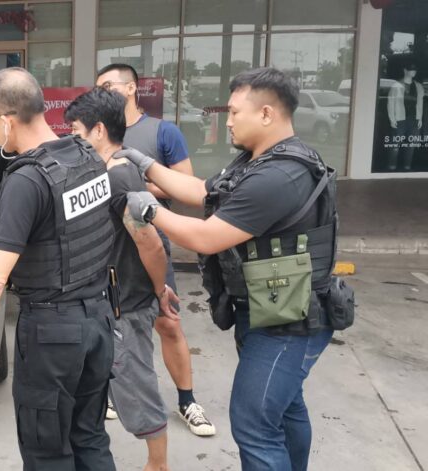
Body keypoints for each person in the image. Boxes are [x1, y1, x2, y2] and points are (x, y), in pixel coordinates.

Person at [121, 67, 341, 470]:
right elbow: (203, 191)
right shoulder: (258, 161)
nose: (228, 121)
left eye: (236, 112)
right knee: (286, 408)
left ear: (267, 113)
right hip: (272, 308)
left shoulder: (279, 175)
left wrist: (149, 210)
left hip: (289, 323)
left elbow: (207, 237)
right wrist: (145, 165)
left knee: (254, 423)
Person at [0, 67, 118, 470]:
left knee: (47, 453)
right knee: (90, 437)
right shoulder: (88, 155)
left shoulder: (27, 181)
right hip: (99, 320)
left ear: (7, 121)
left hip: (53, 335)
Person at [96, 63, 215, 437]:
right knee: (110, 323)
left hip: (148, 238)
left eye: (108, 86)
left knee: (168, 321)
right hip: (108, 248)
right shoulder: (96, 131)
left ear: (132, 88)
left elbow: (186, 184)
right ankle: (114, 392)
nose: (102, 93)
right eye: (98, 88)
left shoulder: (163, 132)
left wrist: (132, 182)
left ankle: (187, 400)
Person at [65, 88, 179, 471]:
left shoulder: (120, 176)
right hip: (111, 302)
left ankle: (158, 465)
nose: (72, 138)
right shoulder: (109, 171)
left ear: (98, 130)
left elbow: (150, 243)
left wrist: (160, 290)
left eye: (76, 131)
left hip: (125, 304)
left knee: (135, 387)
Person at [386, 60, 424, 171]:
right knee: (395, 145)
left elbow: (420, 103)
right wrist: (392, 119)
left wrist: (420, 118)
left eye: (415, 69)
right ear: (405, 70)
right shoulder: (396, 85)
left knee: (411, 145)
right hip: (400, 119)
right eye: (411, 69)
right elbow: (390, 103)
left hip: (414, 119)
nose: (413, 71)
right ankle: (391, 166)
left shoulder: (419, 86)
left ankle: (407, 167)